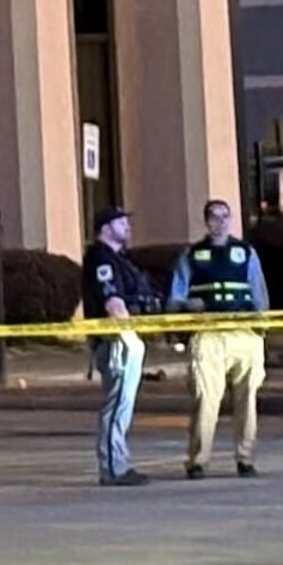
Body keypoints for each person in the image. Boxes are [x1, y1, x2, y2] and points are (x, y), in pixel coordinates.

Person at [169, 197, 269, 477]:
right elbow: (175, 297)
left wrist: (261, 329)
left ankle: (245, 459)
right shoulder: (191, 255)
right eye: (215, 216)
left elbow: (258, 293)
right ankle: (198, 461)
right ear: (206, 221)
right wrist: (188, 306)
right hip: (208, 333)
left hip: (243, 332)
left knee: (247, 399)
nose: (221, 222)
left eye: (225, 216)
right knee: (206, 399)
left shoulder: (245, 253)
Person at [83, 207, 152, 487]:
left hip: (124, 336)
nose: (127, 226)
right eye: (120, 222)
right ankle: (113, 467)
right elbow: (113, 303)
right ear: (105, 228)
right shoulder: (102, 259)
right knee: (117, 404)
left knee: (122, 404)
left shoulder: (118, 258)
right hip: (117, 339)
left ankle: (117, 462)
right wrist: (127, 335)